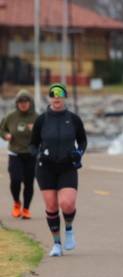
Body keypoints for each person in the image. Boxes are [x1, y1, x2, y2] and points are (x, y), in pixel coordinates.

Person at [30, 84, 87, 257]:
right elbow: (32, 144)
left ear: (64, 97)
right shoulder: (42, 120)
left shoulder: (74, 119)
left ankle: (68, 229)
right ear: (50, 98)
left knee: (67, 204)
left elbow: (82, 141)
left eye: (60, 95)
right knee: (52, 206)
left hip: (67, 166)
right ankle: (56, 244)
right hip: (46, 168)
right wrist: (39, 155)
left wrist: (79, 153)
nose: (56, 98)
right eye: (53, 95)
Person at [1, 90, 39, 219]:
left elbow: (44, 134)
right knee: (15, 180)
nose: (23, 104)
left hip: (31, 154)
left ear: (30, 102)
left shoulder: (36, 117)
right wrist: (6, 135)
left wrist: (35, 131)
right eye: (20, 102)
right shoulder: (11, 116)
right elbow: (2, 129)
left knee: (29, 183)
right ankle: (17, 203)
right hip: (15, 153)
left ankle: (26, 209)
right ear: (17, 103)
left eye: (25, 101)